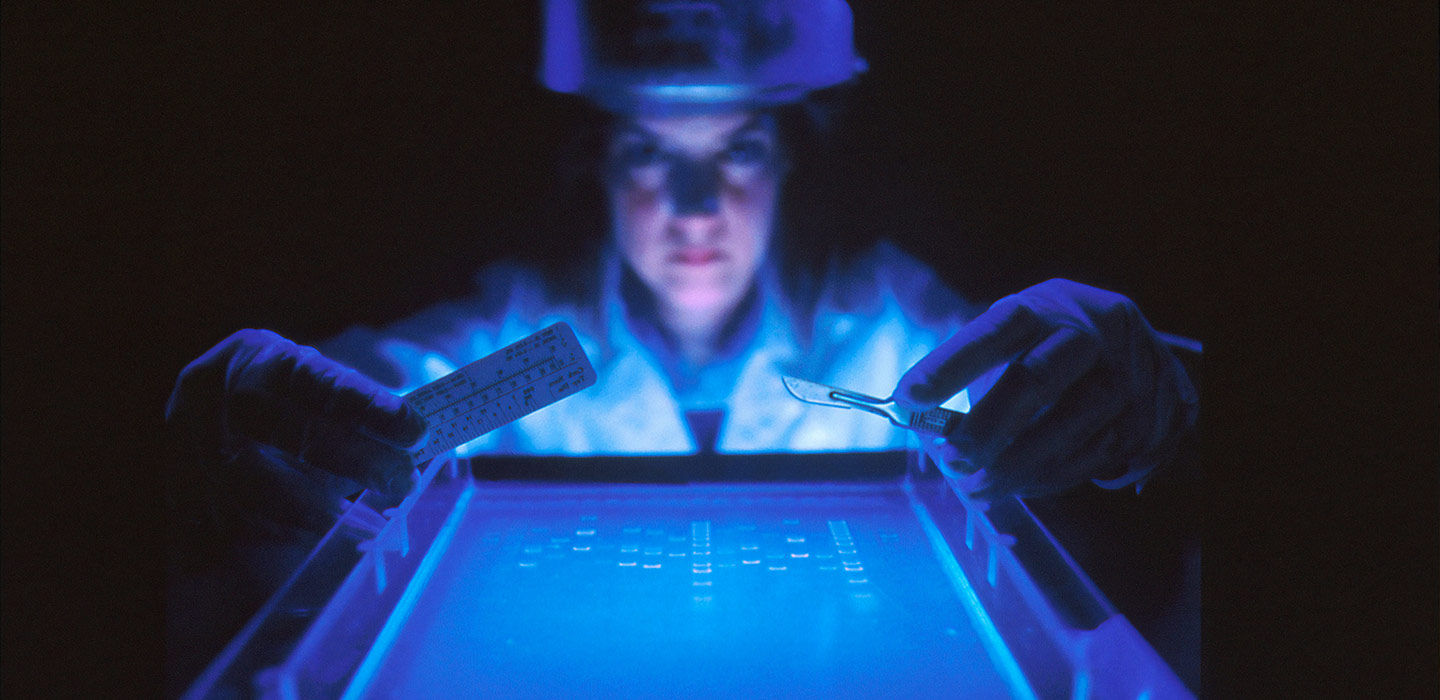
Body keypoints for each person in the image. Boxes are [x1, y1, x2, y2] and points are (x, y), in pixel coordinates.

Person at [166, 0, 1197, 544]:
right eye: (651, 153)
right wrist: (242, 419)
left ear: (793, 155)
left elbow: (1057, 393)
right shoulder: (512, 345)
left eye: (737, 149)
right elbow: (360, 398)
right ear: (596, 162)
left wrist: (1162, 397)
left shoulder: (893, 326)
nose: (695, 207)